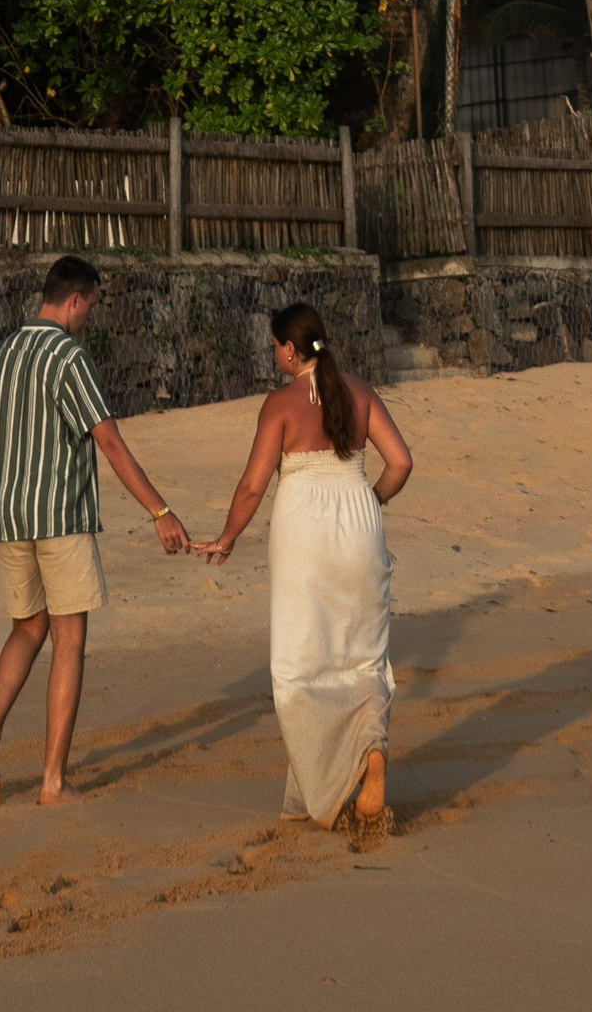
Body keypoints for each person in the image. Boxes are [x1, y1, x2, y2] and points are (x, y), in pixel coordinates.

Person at [0, 252, 192, 803]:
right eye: (90, 304)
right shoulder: (68, 357)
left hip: (12, 517)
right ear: (73, 299)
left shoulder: (1, 354)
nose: (90, 314)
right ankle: (52, 781)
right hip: (61, 519)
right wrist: (160, 512)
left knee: (26, 629)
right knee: (69, 638)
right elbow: (108, 441)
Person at [198, 299, 411, 837]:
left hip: (305, 536)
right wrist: (372, 502)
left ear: (291, 350)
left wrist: (226, 538)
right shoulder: (361, 392)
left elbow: (252, 485)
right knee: (363, 658)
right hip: (361, 527)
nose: (274, 356)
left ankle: (335, 781)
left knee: (298, 668)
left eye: (275, 347)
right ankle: (370, 750)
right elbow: (402, 461)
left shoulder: (282, 404)